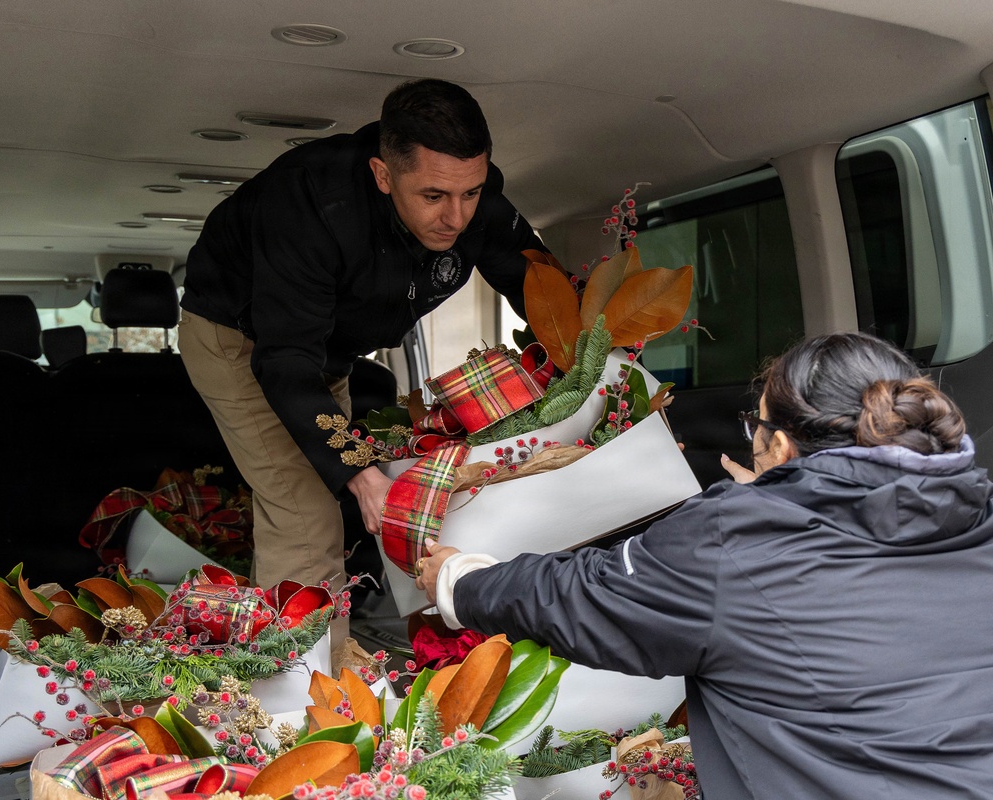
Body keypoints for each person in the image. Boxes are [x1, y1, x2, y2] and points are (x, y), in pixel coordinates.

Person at [417, 332, 993, 799]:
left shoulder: (733, 541)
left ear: (785, 447)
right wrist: (776, 505)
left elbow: (582, 596)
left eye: (758, 430)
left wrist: (460, 579)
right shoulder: (977, 514)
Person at [177, 78, 545, 657]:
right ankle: (298, 696)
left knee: (340, 486)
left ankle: (324, 648)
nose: (456, 218)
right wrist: (363, 474)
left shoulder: (472, 200)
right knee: (305, 512)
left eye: (470, 193)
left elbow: (539, 285)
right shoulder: (309, 205)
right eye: (433, 197)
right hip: (242, 343)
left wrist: (604, 360)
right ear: (382, 174)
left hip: (325, 350)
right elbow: (286, 363)